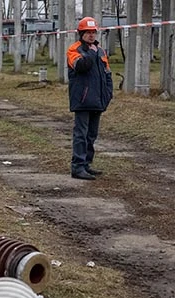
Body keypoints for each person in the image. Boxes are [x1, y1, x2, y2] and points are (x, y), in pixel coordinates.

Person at [67, 17, 114, 180]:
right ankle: (77, 167)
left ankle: (86, 164)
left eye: (94, 32)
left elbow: (107, 73)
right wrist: (90, 53)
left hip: (97, 99)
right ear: (81, 34)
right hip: (82, 99)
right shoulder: (74, 50)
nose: (91, 35)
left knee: (91, 134)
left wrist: (108, 93)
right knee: (81, 133)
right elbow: (80, 67)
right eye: (88, 32)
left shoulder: (100, 50)